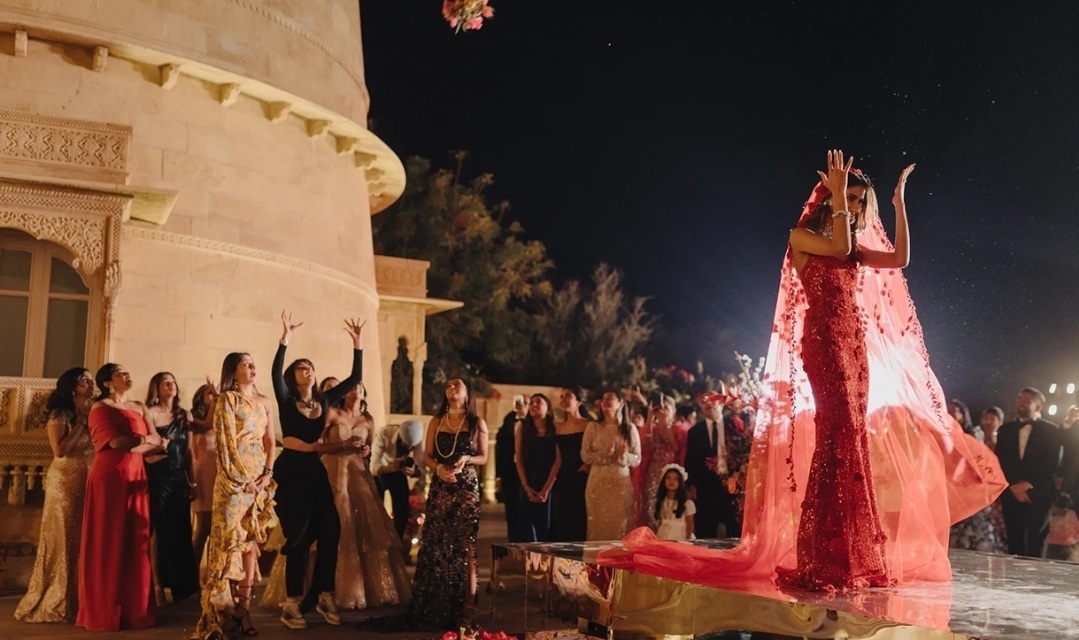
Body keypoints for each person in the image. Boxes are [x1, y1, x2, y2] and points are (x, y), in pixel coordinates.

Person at [598, 151, 1005, 593]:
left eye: (857, 200)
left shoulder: (854, 248)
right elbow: (839, 247)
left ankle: (852, 556)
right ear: (828, 199)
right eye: (847, 197)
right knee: (837, 436)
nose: (852, 205)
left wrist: (898, 202)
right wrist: (837, 195)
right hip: (825, 341)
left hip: (854, 345)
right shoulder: (803, 238)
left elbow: (900, 259)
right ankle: (823, 555)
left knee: (851, 442)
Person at [361, 377, 490, 631]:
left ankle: (468, 608)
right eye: (449, 385)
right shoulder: (436, 421)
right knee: (437, 544)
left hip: (465, 487)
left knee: (466, 546)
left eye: (458, 385)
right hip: (441, 486)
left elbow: (484, 457)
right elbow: (427, 457)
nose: (453, 387)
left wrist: (467, 458)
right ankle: (438, 604)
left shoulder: (477, 422)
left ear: (467, 393)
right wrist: (439, 468)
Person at [272, 311, 365, 630]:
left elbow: (354, 379)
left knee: (331, 530)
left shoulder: (324, 401)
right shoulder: (286, 400)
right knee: (297, 537)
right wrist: (285, 338)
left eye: (309, 366)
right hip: (290, 470)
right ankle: (292, 603)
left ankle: (324, 594)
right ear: (293, 376)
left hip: (313, 469)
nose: (307, 369)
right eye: (301, 367)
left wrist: (357, 344)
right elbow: (275, 373)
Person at [191, 352, 276, 638]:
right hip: (233, 482)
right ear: (233, 371)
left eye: (253, 363)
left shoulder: (265, 402)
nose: (252, 367)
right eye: (245, 364)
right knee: (229, 544)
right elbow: (225, 444)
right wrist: (242, 480)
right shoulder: (227, 400)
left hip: (259, 481)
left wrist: (267, 474)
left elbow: (270, 441)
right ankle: (222, 611)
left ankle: (244, 609)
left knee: (250, 543)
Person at [77, 363, 167, 631]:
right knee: (109, 540)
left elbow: (155, 445)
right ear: (107, 383)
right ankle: (104, 611)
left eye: (128, 372)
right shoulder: (100, 408)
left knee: (136, 540)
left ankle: (135, 612)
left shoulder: (139, 406)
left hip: (136, 474)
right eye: (120, 373)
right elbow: (117, 443)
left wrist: (153, 443)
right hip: (110, 477)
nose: (127, 375)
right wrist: (148, 440)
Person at [320, 378, 412, 610]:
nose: (356, 389)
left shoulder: (367, 420)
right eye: (352, 386)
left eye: (360, 386)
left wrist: (365, 450)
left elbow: (368, 452)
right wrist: (344, 445)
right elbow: (317, 445)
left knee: (361, 527)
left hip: (357, 475)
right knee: (334, 524)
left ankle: (360, 588)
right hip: (333, 472)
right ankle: (323, 589)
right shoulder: (333, 414)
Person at [15, 368, 95, 622]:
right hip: (65, 481)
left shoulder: (93, 411)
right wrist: (81, 424)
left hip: (88, 478)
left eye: (92, 380)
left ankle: (82, 598)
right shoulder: (61, 413)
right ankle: (58, 598)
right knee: (63, 536)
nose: (91, 384)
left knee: (84, 537)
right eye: (85, 380)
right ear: (72, 386)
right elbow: (60, 450)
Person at [144, 372, 200, 604]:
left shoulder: (184, 414)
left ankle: (182, 586)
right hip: (158, 476)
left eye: (173, 381)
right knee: (159, 532)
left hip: (178, 477)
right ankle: (157, 585)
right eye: (165, 382)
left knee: (180, 530)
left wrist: (192, 482)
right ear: (156, 388)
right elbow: (146, 447)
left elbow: (189, 452)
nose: (171, 385)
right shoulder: (150, 412)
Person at [996, 387, 1062, 557]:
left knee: (1036, 539)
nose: (1021, 403)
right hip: (1011, 492)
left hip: (1039, 492)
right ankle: (1013, 573)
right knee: (1014, 537)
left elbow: (1052, 462)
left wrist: (1028, 484)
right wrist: (1014, 485)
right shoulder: (1006, 430)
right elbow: (1000, 460)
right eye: (1020, 399)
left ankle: (1036, 573)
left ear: (1039, 406)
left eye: (1027, 400)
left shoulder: (1052, 431)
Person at [948, 399, 1006, 553]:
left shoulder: (976, 436)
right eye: (986, 418)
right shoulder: (969, 436)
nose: (988, 421)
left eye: (992, 419)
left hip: (983, 485)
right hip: (963, 485)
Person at [582, 390, 641, 541]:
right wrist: (605, 455)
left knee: (619, 524)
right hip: (597, 482)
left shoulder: (629, 428)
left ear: (621, 404)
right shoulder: (593, 427)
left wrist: (623, 455)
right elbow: (585, 455)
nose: (606, 401)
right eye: (604, 398)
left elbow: (637, 459)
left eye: (610, 398)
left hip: (620, 482)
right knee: (597, 524)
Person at [515, 393, 561, 541]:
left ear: (548, 408)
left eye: (538, 402)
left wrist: (546, 490)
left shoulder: (556, 428)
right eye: (532, 403)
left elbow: (558, 460)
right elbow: (519, 459)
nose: (534, 405)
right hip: (528, 479)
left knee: (547, 527)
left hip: (549, 480)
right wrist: (526, 487)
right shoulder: (522, 428)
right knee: (527, 526)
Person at [371, 419, 426, 541]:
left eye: (411, 447)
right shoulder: (384, 434)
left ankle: (396, 540)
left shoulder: (418, 440)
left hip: (399, 472)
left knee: (402, 510)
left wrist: (414, 471)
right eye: (405, 445)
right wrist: (390, 468)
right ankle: (376, 538)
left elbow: (421, 467)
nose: (408, 449)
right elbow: (373, 466)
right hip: (381, 469)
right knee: (376, 505)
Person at [550, 386, 592, 542]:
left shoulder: (589, 425)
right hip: (563, 479)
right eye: (562, 396)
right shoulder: (558, 427)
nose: (563, 400)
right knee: (562, 523)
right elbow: (558, 458)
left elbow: (596, 450)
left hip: (582, 479)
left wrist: (589, 465)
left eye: (568, 396)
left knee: (579, 523)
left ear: (579, 401)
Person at [189, 382, 219, 580]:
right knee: (203, 527)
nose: (215, 397)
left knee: (217, 528)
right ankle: (191, 575)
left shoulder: (221, 418)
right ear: (200, 397)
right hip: (203, 474)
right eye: (210, 394)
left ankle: (212, 576)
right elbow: (191, 452)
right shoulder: (194, 420)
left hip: (220, 475)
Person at [642, 395, 681, 530]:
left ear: (674, 411)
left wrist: (665, 425)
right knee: (651, 510)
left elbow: (675, 449)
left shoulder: (678, 429)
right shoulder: (653, 428)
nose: (662, 411)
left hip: (671, 475)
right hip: (654, 474)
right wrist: (649, 419)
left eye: (666, 408)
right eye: (660, 408)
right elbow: (649, 448)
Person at [495, 395, 527, 542]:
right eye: (519, 402)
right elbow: (501, 448)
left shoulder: (535, 423)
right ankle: (513, 540)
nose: (521, 405)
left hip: (528, 471)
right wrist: (499, 475)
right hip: (510, 471)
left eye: (525, 403)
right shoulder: (509, 420)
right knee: (512, 507)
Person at [654, 464, 695, 541]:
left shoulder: (687, 503)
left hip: (679, 535)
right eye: (668, 478)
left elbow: (690, 525)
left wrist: (688, 539)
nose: (671, 481)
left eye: (675, 479)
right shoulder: (662, 500)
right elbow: (660, 521)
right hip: (663, 534)